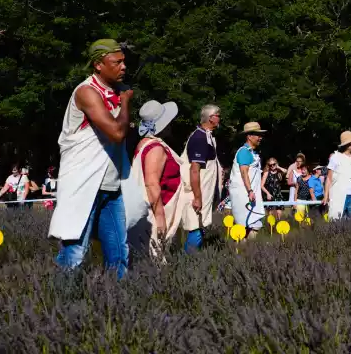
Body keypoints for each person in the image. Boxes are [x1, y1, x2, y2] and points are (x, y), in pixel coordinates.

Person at [49, 39, 147, 280]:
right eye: (117, 62)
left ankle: (119, 302)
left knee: (119, 251)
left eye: (124, 61)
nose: (124, 67)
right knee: (76, 249)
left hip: (110, 185)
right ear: (98, 65)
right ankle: (59, 301)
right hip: (84, 183)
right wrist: (125, 102)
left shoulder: (114, 91)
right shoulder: (87, 92)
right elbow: (116, 133)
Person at [132, 100, 183, 259]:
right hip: (156, 210)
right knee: (155, 258)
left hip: (147, 208)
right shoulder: (156, 148)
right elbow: (151, 183)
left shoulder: (143, 144)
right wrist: (160, 217)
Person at [179, 104, 223, 252]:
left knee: (200, 227)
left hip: (204, 192)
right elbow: (194, 170)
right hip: (196, 193)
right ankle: (187, 263)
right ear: (211, 118)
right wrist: (197, 197)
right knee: (195, 230)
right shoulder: (199, 138)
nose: (220, 118)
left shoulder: (207, 136)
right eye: (218, 115)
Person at [229, 122, 267, 239]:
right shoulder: (244, 152)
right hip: (244, 194)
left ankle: (246, 250)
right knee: (248, 224)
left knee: (251, 224)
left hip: (250, 193)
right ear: (249, 136)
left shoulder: (252, 152)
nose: (260, 137)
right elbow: (244, 172)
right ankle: (244, 250)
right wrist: (250, 190)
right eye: (257, 135)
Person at [323, 131, 351, 220]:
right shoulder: (335, 158)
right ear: (346, 144)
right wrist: (326, 196)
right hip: (338, 195)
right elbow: (329, 179)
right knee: (335, 223)